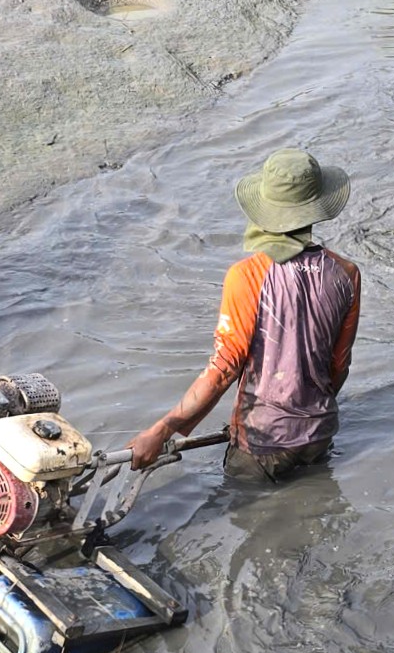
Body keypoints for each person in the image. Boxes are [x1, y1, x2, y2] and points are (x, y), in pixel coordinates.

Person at [127, 149, 361, 482]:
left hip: (262, 446)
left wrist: (162, 430)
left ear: (264, 211)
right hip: (319, 434)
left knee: (247, 522)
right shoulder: (347, 273)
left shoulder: (246, 276)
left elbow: (223, 371)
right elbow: (339, 366)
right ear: (316, 208)